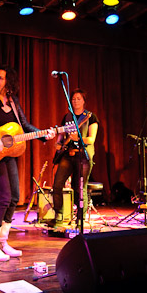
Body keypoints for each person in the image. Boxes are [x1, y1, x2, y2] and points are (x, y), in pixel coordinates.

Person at [0, 65, 55, 261]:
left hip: (7, 154)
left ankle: (2, 241)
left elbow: (23, 126)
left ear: (9, 82)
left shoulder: (13, 101)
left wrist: (43, 135)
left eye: (0, 78)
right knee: (3, 196)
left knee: (14, 196)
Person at [50, 88, 99, 227]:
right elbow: (61, 136)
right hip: (68, 154)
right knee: (57, 184)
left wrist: (79, 138)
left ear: (84, 101)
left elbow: (91, 139)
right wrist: (59, 143)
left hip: (83, 155)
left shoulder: (90, 117)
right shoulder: (67, 117)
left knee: (79, 187)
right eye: (73, 99)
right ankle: (59, 215)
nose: (75, 101)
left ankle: (80, 219)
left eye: (78, 99)